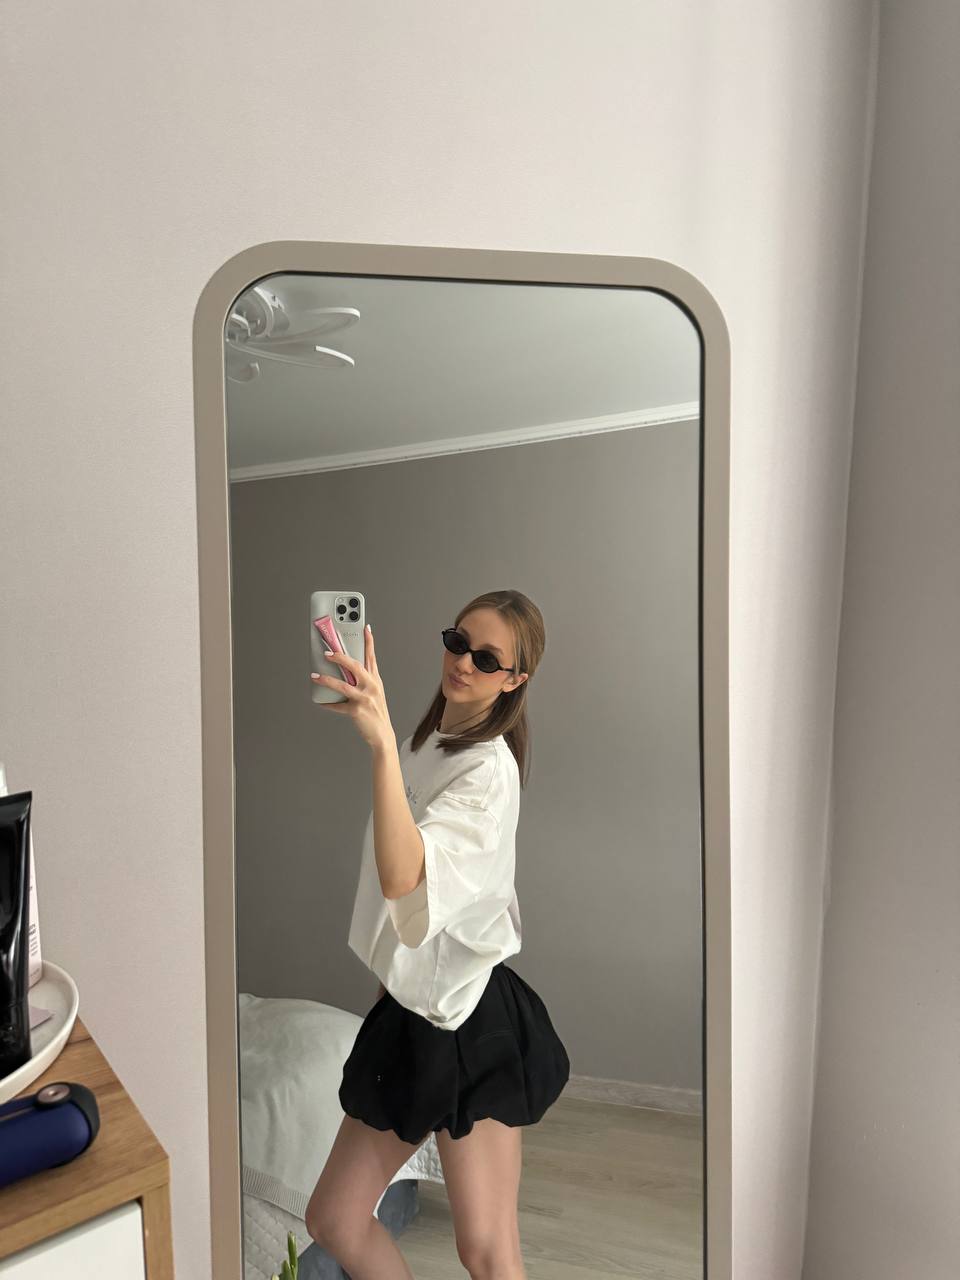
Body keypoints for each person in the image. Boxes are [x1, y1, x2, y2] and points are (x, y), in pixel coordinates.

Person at [303, 589, 569, 1280]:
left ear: (514, 679)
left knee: (486, 1249)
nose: (464, 663)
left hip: (467, 1016)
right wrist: (390, 740)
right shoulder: (428, 742)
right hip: (411, 1007)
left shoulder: (487, 774)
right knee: (333, 1219)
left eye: (488, 659)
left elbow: (403, 879)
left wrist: (379, 743)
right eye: (458, 643)